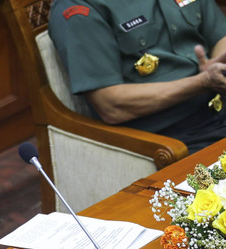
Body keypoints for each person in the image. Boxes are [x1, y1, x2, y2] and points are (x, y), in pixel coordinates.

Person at [49, 0, 226, 153]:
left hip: (219, 105)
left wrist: (217, 67)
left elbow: (221, 35)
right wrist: (202, 82)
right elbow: (110, 105)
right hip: (170, 139)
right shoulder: (79, 7)